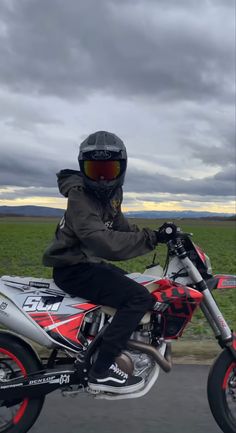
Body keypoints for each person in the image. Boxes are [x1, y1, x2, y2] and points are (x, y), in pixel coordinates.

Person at [43, 130, 176, 395]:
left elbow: (121, 227)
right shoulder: (79, 196)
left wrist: (159, 236)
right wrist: (149, 239)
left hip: (86, 264)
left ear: (121, 168)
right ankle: (102, 369)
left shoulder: (113, 194)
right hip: (73, 268)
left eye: (109, 169)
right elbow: (103, 241)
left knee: (135, 286)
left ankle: (105, 347)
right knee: (138, 299)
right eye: (95, 170)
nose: (103, 177)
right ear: (84, 169)